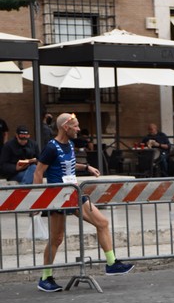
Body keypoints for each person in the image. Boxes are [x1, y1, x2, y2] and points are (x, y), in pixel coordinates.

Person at [33, 112, 134, 293]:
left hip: (74, 193)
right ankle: (45, 278)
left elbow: (69, 164)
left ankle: (111, 263)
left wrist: (86, 167)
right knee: (56, 238)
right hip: (58, 197)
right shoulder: (51, 147)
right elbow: (39, 172)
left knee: (102, 222)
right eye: (76, 126)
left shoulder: (70, 145)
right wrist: (38, 199)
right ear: (66, 127)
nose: (79, 129)